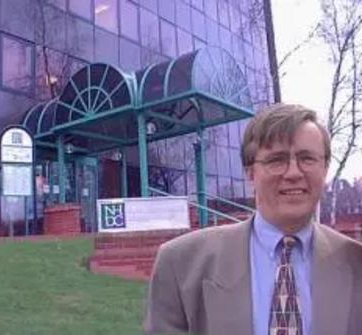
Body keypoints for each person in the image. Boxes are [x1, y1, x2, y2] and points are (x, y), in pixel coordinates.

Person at [143, 103, 362, 335]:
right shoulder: (180, 263)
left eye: (307, 158)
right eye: (276, 160)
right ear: (250, 172)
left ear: (325, 167)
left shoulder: (356, 263)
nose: (293, 173)